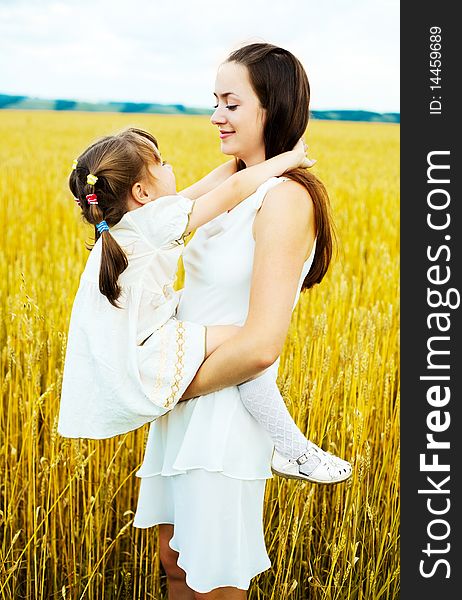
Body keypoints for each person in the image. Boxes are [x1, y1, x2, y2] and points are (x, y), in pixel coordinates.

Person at [133, 43, 351, 599]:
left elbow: (259, 346)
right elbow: (162, 222)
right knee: (175, 562)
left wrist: (171, 388)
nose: (215, 116)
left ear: (270, 109)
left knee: (216, 573)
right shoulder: (234, 178)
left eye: (231, 103)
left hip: (225, 400)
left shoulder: (284, 200)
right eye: (215, 101)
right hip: (183, 394)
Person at [57, 128, 312, 442]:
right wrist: (291, 158)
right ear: (141, 192)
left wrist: (243, 160)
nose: (170, 167)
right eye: (162, 163)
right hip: (149, 354)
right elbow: (231, 190)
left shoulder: (129, 223)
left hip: (131, 349)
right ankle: (286, 443)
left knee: (239, 339)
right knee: (247, 341)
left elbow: (212, 184)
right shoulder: (155, 221)